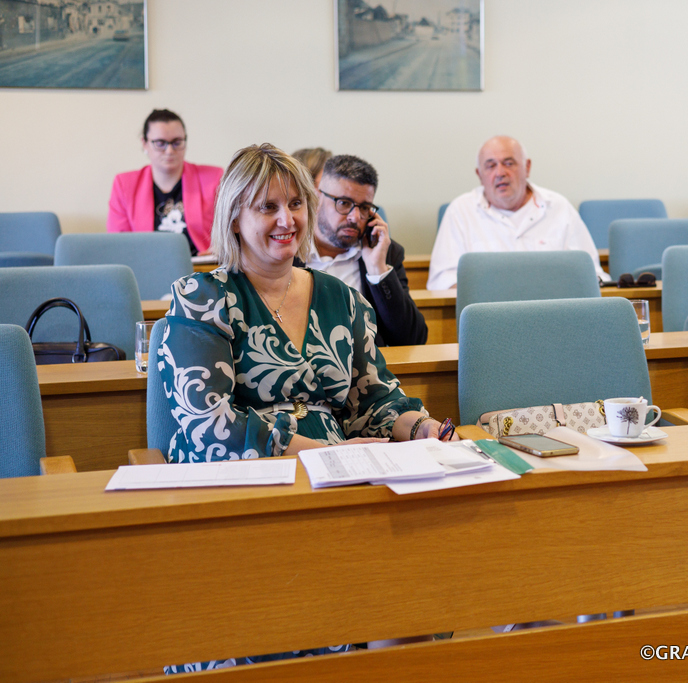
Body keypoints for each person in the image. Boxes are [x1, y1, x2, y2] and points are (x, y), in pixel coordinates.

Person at [157, 143, 451, 670]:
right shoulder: (202, 297)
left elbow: (375, 396)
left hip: (340, 483)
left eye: (295, 204)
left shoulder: (343, 299)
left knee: (411, 579)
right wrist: (328, 455)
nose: (286, 219)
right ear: (235, 217)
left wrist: (421, 428)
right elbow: (209, 425)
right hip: (243, 488)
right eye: (267, 207)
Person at [426, 135, 605, 290]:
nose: (500, 173)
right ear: (479, 175)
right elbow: (441, 282)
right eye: (490, 166)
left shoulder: (559, 208)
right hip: (489, 313)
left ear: (527, 167)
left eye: (509, 163)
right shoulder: (460, 211)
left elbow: (592, 275)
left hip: (553, 312)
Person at [305, 154, 428, 346]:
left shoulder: (384, 253)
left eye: (364, 207)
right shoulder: (287, 249)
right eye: (344, 203)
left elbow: (412, 340)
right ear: (316, 197)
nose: (355, 217)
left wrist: (377, 269)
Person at [107, 109, 223, 255]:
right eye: (160, 143)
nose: (169, 151)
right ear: (145, 143)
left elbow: (233, 229)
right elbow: (118, 244)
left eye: (177, 142)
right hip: (147, 266)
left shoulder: (213, 178)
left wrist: (221, 248)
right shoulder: (124, 184)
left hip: (201, 266)